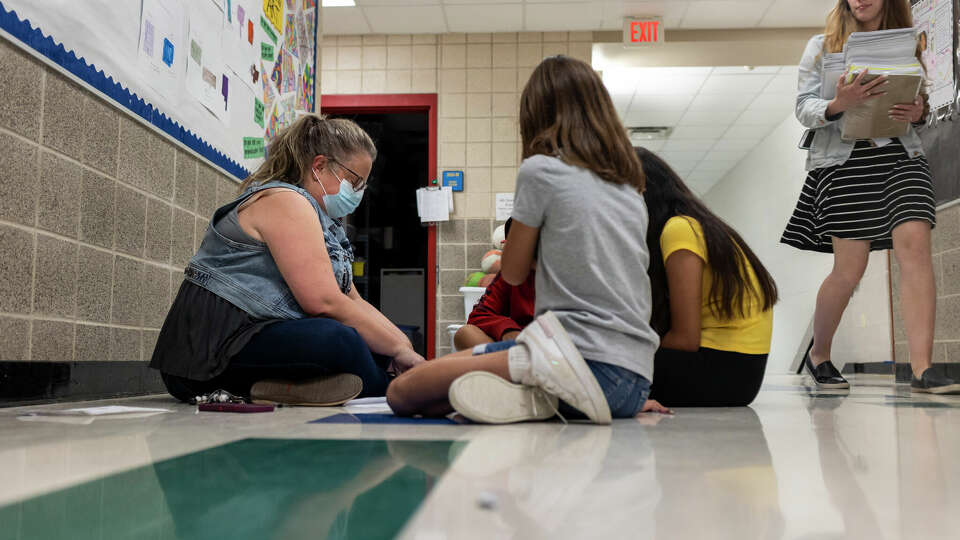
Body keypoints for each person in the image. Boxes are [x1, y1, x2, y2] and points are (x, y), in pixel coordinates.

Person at [386, 55, 665, 424]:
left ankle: (538, 397)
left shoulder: (542, 170)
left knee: (403, 392)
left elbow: (514, 272)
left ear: (535, 116)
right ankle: (535, 398)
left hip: (572, 359)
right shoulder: (630, 191)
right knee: (446, 399)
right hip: (634, 380)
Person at [150, 115, 425, 405]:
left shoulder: (323, 222)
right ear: (318, 165)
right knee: (341, 340)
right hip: (206, 354)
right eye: (353, 181)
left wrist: (403, 345)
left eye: (362, 186)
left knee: (396, 336)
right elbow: (323, 303)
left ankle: (286, 387)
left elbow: (353, 301)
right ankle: (398, 390)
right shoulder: (285, 200)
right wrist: (397, 351)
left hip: (251, 338)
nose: (357, 193)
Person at [782, 0, 959, 393]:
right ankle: (819, 354)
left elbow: (919, 102)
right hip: (843, 163)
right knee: (850, 269)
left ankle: (922, 368)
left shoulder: (906, 43)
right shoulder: (821, 45)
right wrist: (837, 104)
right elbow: (803, 107)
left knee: (914, 246)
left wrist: (918, 111)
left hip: (900, 155)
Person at [636, 148, 777, 408]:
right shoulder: (701, 225)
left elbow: (685, 339)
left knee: (601, 373)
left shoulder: (678, 229)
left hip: (721, 372)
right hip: (740, 374)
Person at [453, 218, 536, 351]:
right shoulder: (510, 275)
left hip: (559, 348)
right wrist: (507, 329)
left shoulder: (567, 275)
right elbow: (479, 315)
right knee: (465, 334)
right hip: (519, 347)